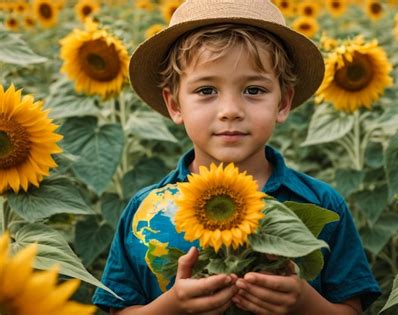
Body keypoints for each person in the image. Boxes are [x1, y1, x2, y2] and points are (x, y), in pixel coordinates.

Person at [92, 0, 381, 314]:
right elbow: (119, 308)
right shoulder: (144, 210)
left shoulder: (321, 204)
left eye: (254, 90)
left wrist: (303, 302)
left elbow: (351, 308)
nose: (230, 111)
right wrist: (173, 305)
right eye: (206, 90)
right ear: (174, 104)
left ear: (283, 102)